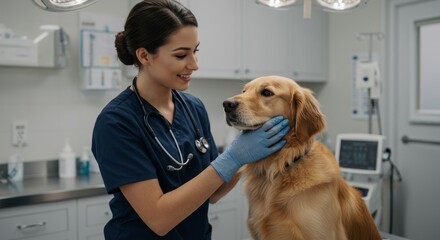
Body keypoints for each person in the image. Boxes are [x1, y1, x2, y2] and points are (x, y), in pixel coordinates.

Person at [91, 0, 289, 239]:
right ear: (144, 55)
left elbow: (213, 192)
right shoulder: (117, 122)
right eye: (181, 54)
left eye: (195, 51)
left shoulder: (193, 108)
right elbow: (158, 218)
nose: (194, 64)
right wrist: (233, 157)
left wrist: (246, 158)